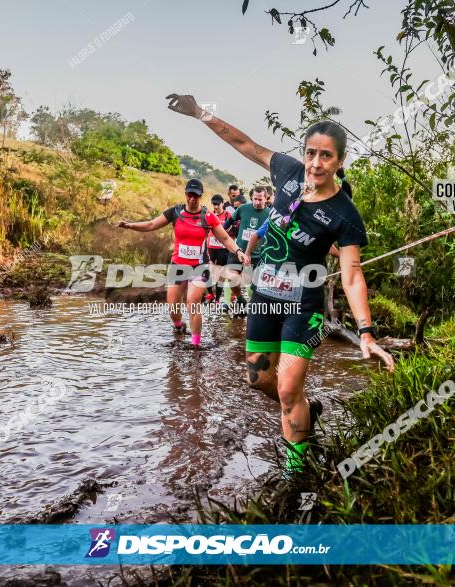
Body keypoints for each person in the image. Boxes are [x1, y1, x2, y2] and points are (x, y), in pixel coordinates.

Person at [166, 93, 395, 474]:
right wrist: (199, 113)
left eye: (326, 156)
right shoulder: (287, 173)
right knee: (258, 380)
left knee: (288, 390)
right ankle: (308, 410)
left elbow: (353, 274)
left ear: (340, 161)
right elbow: (244, 143)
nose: (316, 163)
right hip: (264, 300)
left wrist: (367, 332)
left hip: (304, 308)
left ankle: (295, 471)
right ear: (303, 154)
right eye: (311, 153)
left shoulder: (345, 214)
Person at [117, 178, 248, 347]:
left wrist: (238, 251)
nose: (193, 199)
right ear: (186, 194)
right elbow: (151, 224)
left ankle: (196, 345)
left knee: (193, 304)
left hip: (199, 266)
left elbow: (224, 238)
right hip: (178, 265)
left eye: (196, 196)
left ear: (201, 196)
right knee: (173, 307)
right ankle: (179, 326)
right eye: (190, 195)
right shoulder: (175, 212)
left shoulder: (208, 216)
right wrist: (129, 226)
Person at [224, 186, 270, 311]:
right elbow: (229, 221)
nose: (257, 202)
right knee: (232, 277)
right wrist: (220, 233)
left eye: (260, 199)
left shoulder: (270, 213)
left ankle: (254, 309)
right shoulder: (243, 208)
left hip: (258, 254)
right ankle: (239, 297)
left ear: (266, 199)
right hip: (238, 250)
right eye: (255, 199)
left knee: (255, 287)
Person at [205, 194, 232, 303]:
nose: (216, 207)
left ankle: (217, 299)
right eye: (214, 204)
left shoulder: (227, 215)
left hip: (222, 247)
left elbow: (232, 230)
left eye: (218, 204)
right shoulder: (209, 215)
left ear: (222, 203)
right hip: (210, 246)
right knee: (208, 270)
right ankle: (210, 294)